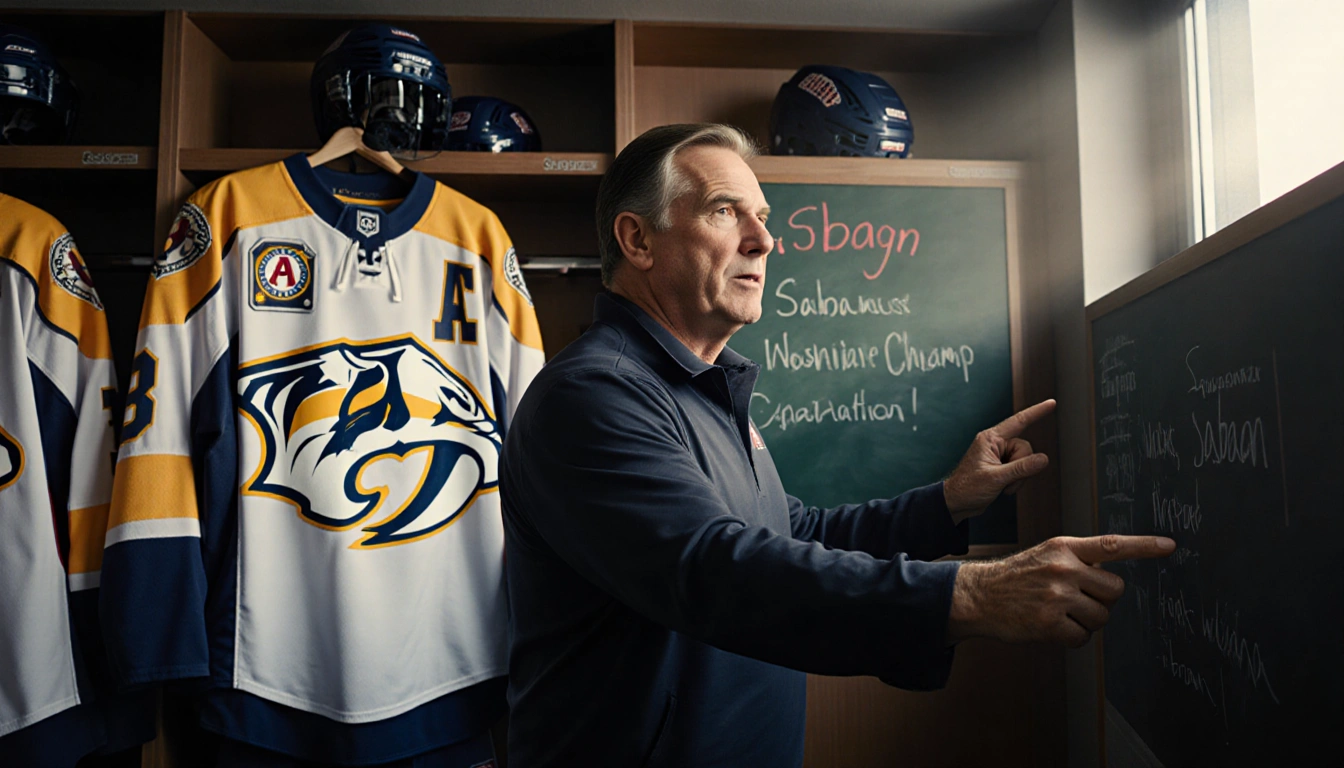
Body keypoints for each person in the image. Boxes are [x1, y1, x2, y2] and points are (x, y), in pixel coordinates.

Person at [498, 123, 1173, 767]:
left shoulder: (702, 385)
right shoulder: (593, 398)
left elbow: (791, 530)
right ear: (637, 240)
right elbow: (714, 571)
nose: (764, 241)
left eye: (763, 216)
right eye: (725, 211)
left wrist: (946, 503)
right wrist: (971, 595)